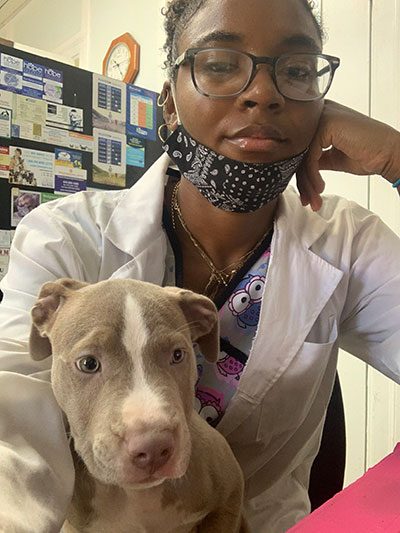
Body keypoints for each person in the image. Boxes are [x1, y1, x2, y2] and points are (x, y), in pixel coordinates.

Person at [0, 0, 399, 531]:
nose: (263, 92)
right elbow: (13, 429)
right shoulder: (63, 235)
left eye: (297, 70)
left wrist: (399, 160)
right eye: (219, 63)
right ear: (169, 103)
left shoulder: (348, 242)